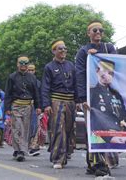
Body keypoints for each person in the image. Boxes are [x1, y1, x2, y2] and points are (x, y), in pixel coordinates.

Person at [75, 21, 118, 177]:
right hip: (90, 95)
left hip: (109, 95)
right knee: (93, 130)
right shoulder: (83, 52)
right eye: (95, 30)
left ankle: (91, 163)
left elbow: (118, 65)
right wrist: (81, 98)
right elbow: (79, 74)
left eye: (101, 29)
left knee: (107, 129)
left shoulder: (109, 48)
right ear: (88, 33)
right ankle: (98, 164)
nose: (98, 32)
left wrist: (99, 56)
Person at [41, 40, 77, 169]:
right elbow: (45, 87)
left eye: (65, 48)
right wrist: (46, 104)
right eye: (60, 48)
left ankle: (65, 154)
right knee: (58, 129)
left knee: (69, 129)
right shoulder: (49, 67)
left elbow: (76, 84)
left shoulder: (71, 66)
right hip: (56, 100)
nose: (63, 51)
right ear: (54, 51)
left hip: (70, 101)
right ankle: (57, 158)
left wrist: (77, 100)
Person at [89, 60, 126, 172]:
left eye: (110, 73)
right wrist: (110, 136)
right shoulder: (92, 92)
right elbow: (93, 118)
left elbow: (124, 115)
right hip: (102, 134)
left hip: (119, 134)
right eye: (103, 71)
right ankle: (97, 164)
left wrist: (125, 133)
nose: (106, 75)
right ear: (97, 71)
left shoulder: (116, 94)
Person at [5, 55, 41, 162]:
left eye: (25, 64)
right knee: (17, 128)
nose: (23, 66)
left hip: (28, 106)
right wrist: (7, 108)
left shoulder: (32, 78)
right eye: (21, 64)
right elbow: (8, 93)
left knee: (25, 129)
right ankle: (19, 150)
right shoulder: (12, 77)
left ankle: (21, 150)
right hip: (16, 105)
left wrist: (38, 106)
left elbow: (36, 93)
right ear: (17, 64)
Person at [27, 63, 44, 157]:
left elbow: (40, 95)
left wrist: (40, 107)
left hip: (35, 106)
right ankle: (25, 146)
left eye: (32, 70)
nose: (30, 72)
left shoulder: (38, 82)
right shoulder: (22, 80)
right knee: (25, 126)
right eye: (29, 70)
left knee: (35, 126)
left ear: (34, 71)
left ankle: (34, 146)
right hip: (24, 105)